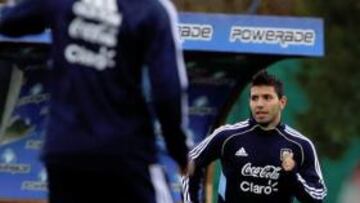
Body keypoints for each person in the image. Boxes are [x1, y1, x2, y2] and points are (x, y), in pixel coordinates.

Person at [0, 0, 190, 202]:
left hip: (65, 151)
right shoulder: (152, 9)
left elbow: (9, 21)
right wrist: (180, 151)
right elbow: (168, 90)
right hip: (126, 153)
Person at [182, 70, 327, 203]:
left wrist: (292, 174)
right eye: (254, 98)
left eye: (267, 98)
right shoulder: (227, 136)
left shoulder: (300, 145)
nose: (259, 104)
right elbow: (190, 164)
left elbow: (317, 197)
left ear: (282, 102)